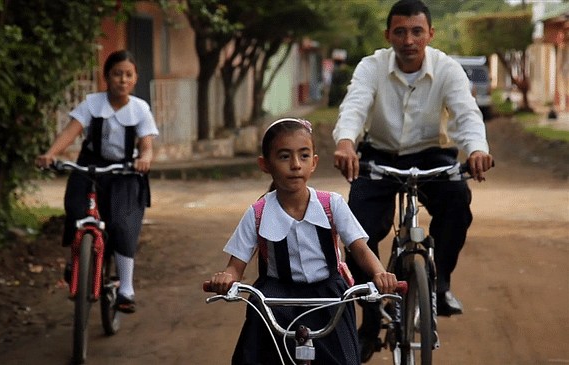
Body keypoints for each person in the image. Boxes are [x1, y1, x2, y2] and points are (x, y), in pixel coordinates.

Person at [332, 0, 494, 361]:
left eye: (417, 31)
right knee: (357, 233)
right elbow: (355, 106)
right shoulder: (371, 67)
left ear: (430, 35)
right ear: (388, 34)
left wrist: (477, 150)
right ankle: (371, 320)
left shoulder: (448, 69)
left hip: (430, 154)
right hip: (379, 155)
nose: (409, 40)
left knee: (457, 205)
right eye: (400, 31)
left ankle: (439, 283)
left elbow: (466, 115)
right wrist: (345, 142)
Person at [208, 118, 398, 365]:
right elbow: (236, 266)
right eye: (284, 157)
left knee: (343, 358)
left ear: (314, 163)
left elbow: (359, 247)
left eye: (304, 156)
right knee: (255, 354)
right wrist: (227, 279)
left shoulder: (332, 204)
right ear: (265, 165)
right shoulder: (258, 212)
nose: (296, 165)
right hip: (277, 296)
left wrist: (380, 274)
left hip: (328, 295)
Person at [36, 50, 159, 313]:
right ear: (106, 77)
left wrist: (144, 160)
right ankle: (76, 259)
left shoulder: (140, 109)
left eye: (128, 75)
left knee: (123, 224)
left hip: (125, 171)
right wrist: (50, 154)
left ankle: (125, 288)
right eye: (117, 74)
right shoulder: (92, 103)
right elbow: (71, 131)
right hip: (90, 166)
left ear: (135, 78)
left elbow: (147, 146)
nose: (122, 80)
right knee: (77, 208)